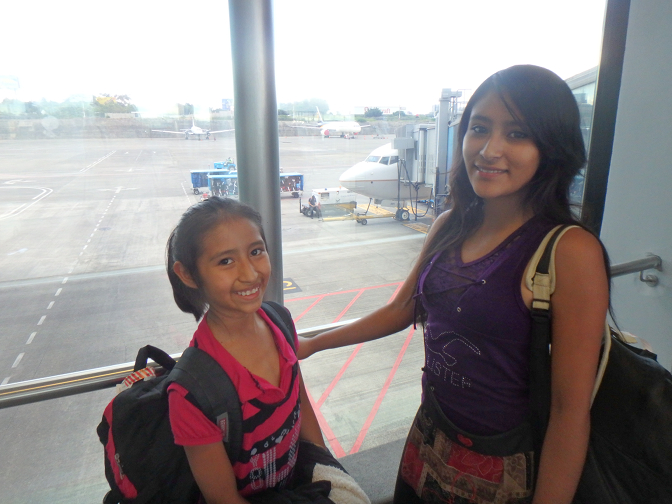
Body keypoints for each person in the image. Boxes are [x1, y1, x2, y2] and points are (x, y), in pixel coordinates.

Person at [298, 65, 610, 504]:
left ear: (551, 146)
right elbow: (401, 308)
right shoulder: (449, 225)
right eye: (479, 128)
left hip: (504, 465)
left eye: (517, 133)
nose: (489, 149)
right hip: (429, 438)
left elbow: (569, 411)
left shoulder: (569, 251)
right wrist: (314, 343)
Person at [166, 197, 369, 503]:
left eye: (256, 252)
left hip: (293, 486)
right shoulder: (193, 391)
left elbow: (298, 400)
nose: (250, 274)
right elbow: (224, 500)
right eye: (225, 261)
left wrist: (324, 465)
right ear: (188, 274)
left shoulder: (279, 322)